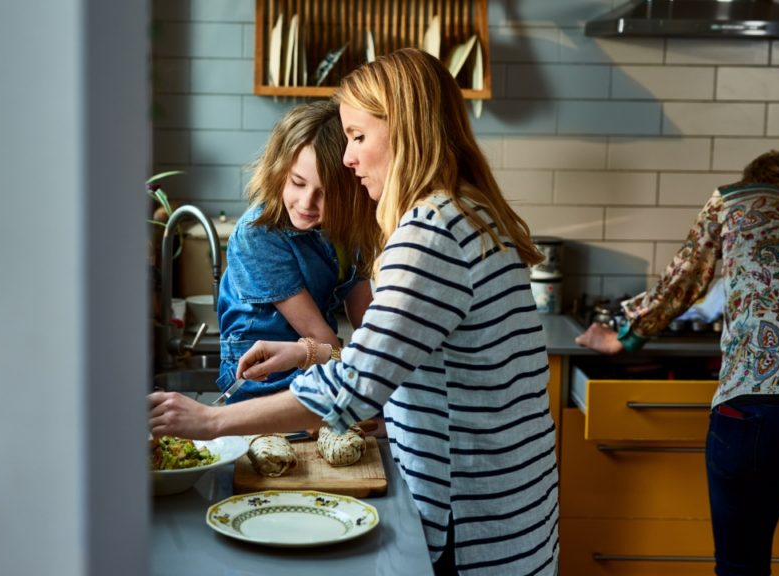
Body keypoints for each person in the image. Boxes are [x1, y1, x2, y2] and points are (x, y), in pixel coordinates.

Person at [151, 48, 560, 576]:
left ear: (407, 130)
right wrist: (311, 351)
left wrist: (210, 421)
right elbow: (393, 359)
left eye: (358, 136)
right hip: (509, 504)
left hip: (472, 516)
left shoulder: (431, 232)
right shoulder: (470, 212)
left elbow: (352, 386)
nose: (348, 157)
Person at [575, 149, 779, 576]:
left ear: (757, 179)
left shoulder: (732, 200)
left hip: (746, 406)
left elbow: (684, 280)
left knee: (739, 565)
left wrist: (627, 338)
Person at [216, 100, 379, 403]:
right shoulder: (258, 235)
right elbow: (323, 340)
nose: (306, 203)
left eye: (325, 194)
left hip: (318, 366)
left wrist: (373, 362)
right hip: (257, 383)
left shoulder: (350, 230)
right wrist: (363, 363)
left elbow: (370, 330)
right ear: (278, 171)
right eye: (297, 183)